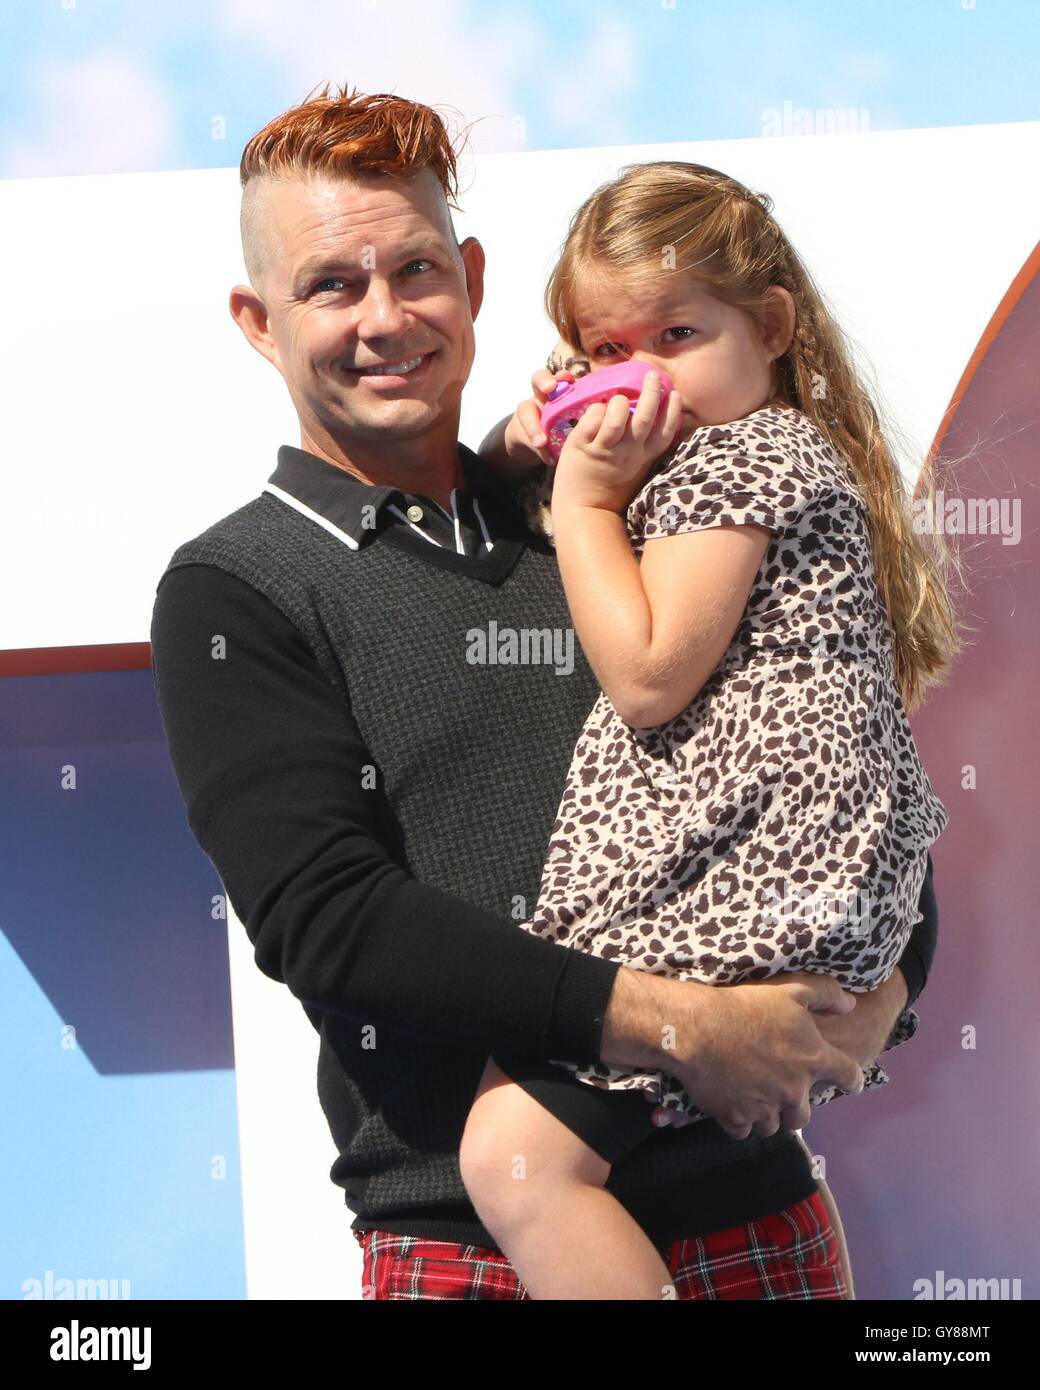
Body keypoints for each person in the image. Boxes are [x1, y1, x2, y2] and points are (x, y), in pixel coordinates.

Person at [148, 86, 942, 1301]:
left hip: (759, 1220)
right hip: (469, 1244)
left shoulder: (622, 514)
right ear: (258, 321)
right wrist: (684, 1026)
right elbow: (330, 922)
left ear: (468, 279)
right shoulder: (236, 589)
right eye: (330, 286)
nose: (385, 316)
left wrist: (877, 995)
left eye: (415, 268)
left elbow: (837, 775)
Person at [456, 161, 959, 1299]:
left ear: (768, 325)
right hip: (808, 879)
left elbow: (642, 675)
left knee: (512, 1160)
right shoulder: (749, 446)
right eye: (608, 353)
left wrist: (584, 500)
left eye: (676, 334)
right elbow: (511, 490)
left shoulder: (740, 456)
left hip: (751, 871)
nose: (647, 382)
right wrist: (531, 436)